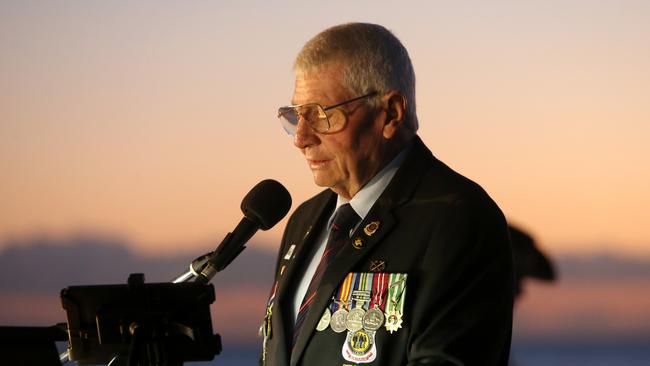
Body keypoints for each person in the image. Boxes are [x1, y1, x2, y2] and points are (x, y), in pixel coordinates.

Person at [261, 23, 514, 366]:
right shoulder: (304, 220)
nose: (301, 138)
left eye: (322, 115)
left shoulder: (458, 219)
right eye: (296, 115)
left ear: (391, 113)